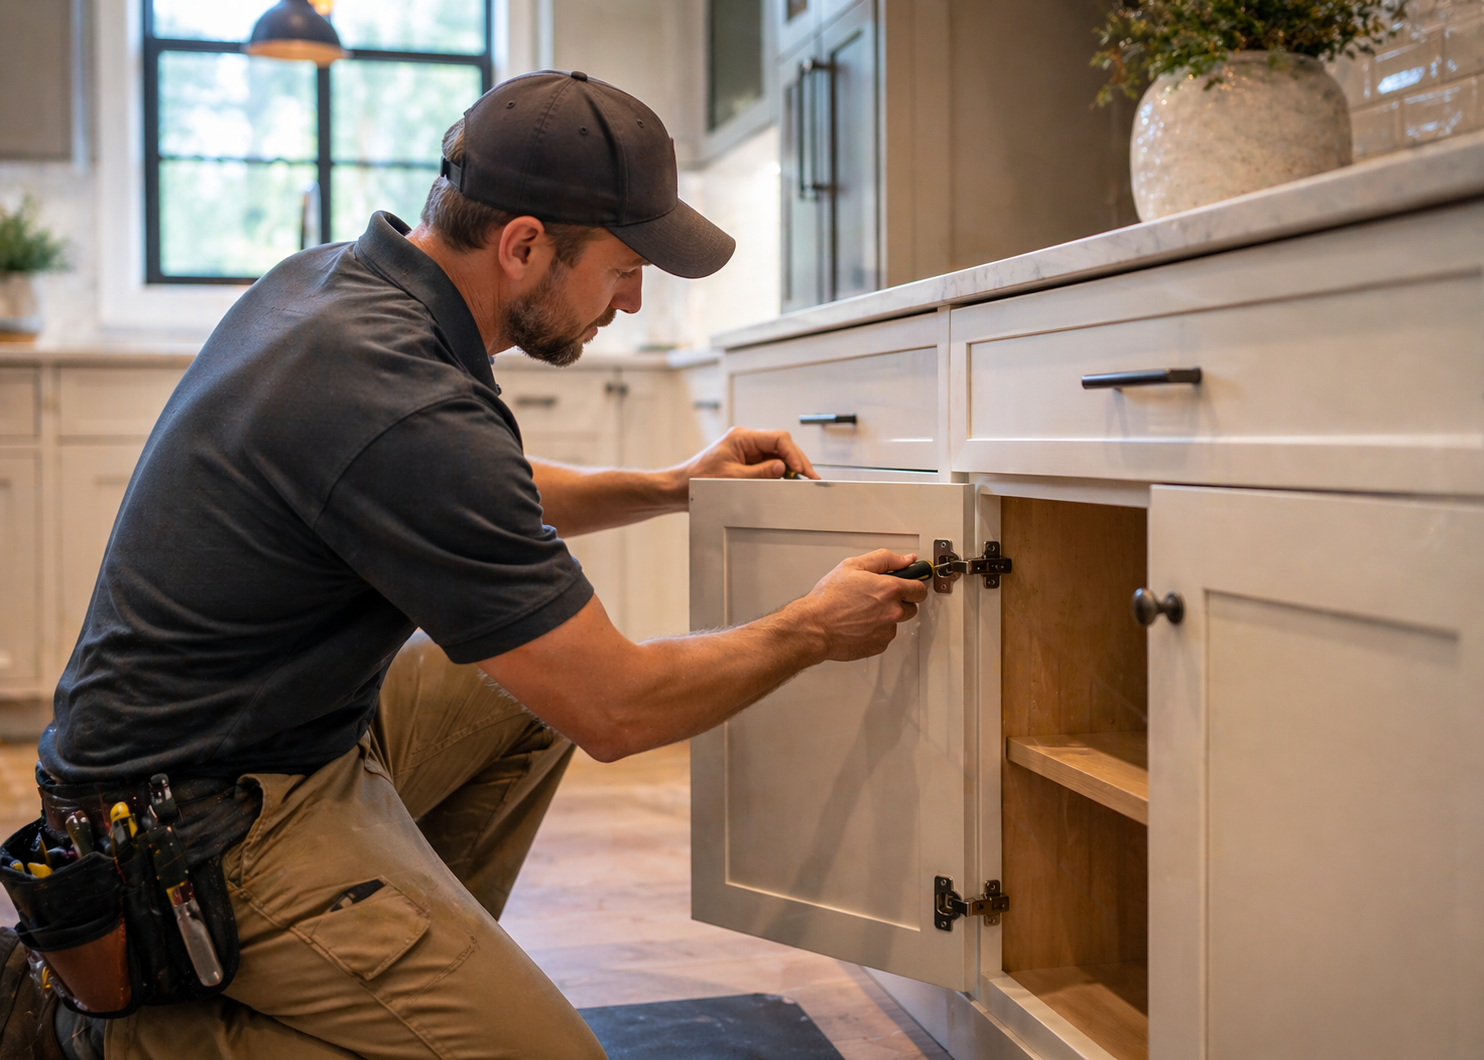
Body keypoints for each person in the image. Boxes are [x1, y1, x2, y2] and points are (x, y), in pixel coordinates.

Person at [6, 72, 928, 1059]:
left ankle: (392, 968)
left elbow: (472, 488)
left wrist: (668, 485)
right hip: (196, 835)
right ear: (523, 245)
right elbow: (618, 708)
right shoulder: (399, 392)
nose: (631, 298)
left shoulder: (332, 284)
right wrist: (811, 628)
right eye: (622, 266)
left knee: (507, 691)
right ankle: (93, 1040)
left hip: (248, 759)